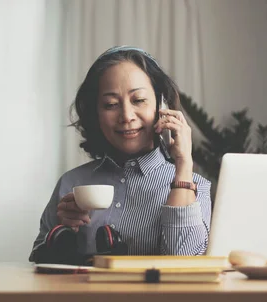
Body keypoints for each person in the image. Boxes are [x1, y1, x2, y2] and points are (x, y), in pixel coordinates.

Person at [29, 46, 212, 260]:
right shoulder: (71, 183)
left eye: (138, 100)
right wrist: (60, 233)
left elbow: (184, 265)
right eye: (111, 104)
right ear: (95, 113)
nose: (126, 116)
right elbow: (37, 268)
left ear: (161, 105)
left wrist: (183, 166)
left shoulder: (195, 187)